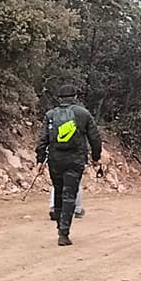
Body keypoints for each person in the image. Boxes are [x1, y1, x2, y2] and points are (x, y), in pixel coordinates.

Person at [36, 82, 102, 246]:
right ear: (75, 97)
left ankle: (60, 225)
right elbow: (95, 138)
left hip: (55, 159)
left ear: (59, 98)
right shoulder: (83, 114)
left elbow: (42, 139)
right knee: (69, 194)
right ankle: (63, 233)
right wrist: (95, 158)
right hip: (75, 159)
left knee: (58, 191)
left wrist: (39, 159)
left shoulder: (50, 115)